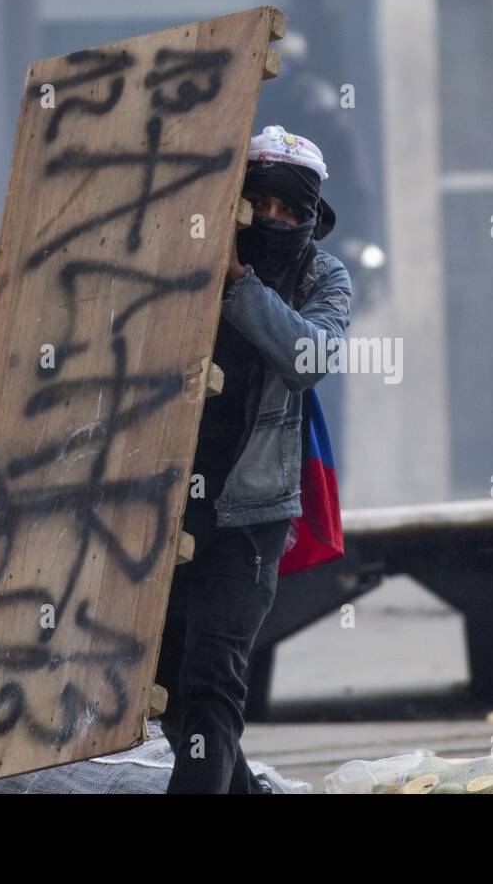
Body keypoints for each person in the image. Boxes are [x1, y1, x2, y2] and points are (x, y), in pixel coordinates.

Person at [152, 125, 352, 793]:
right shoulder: (191, 262)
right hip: (173, 506)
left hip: (252, 514)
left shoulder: (324, 275)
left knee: (213, 683)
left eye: (287, 211)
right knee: (173, 688)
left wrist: (240, 287)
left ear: (307, 217)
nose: (271, 220)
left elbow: (311, 358)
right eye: (258, 205)